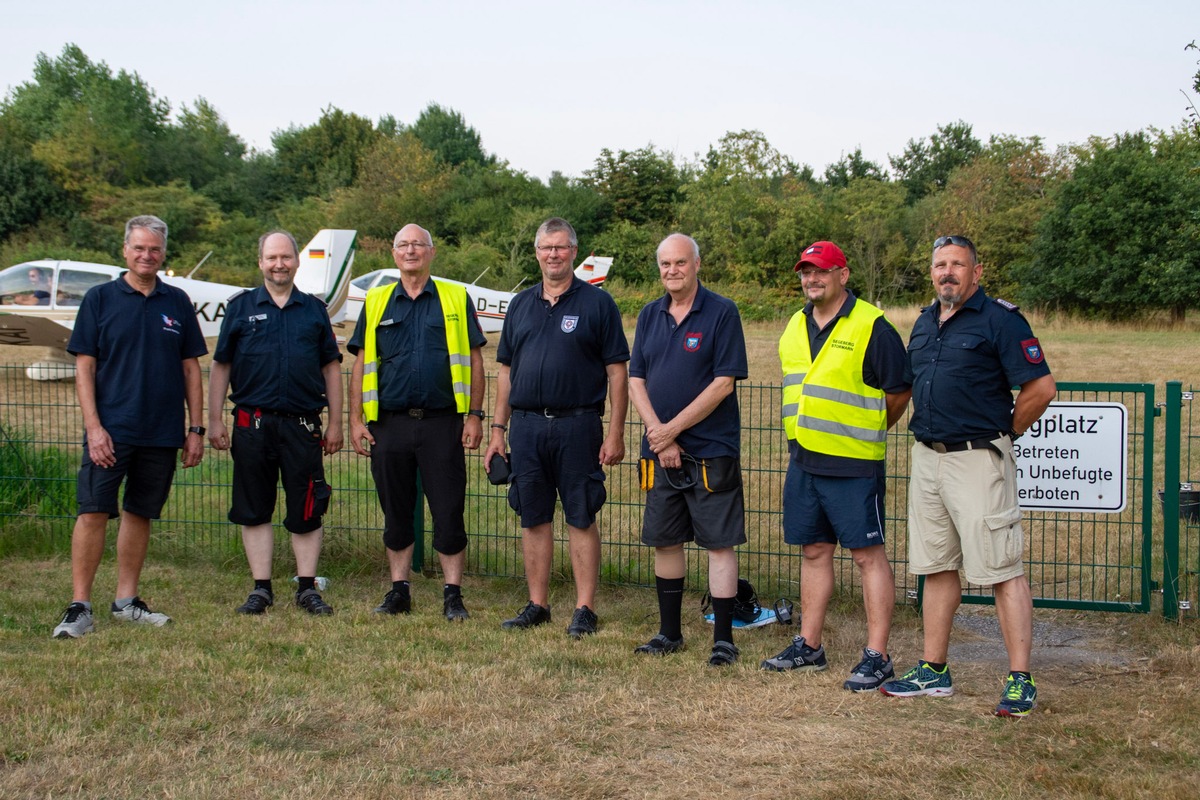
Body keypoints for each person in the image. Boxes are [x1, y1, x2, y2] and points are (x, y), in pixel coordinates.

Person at [880, 234, 1056, 718]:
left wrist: (1005, 435)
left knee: (1001, 569)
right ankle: (934, 670)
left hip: (979, 458)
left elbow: (1041, 388)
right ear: (931, 272)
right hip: (928, 458)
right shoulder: (922, 322)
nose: (948, 272)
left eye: (958, 264)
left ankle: (1021, 679)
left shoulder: (1000, 320)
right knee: (936, 565)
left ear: (976, 273)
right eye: (940, 264)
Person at [761, 241, 911, 690]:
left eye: (821, 271)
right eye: (806, 272)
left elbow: (898, 391)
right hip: (804, 459)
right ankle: (810, 646)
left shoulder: (872, 326)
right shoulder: (794, 324)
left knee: (867, 556)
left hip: (854, 464)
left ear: (843, 274)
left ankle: (878, 655)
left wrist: (867, 429)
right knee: (813, 551)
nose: (812, 279)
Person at [52, 215, 207, 639]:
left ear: (163, 253)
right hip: (111, 430)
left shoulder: (176, 302)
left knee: (140, 513)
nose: (146, 255)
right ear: (125, 250)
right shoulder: (100, 299)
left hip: (161, 431)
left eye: (154, 249)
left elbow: (191, 369)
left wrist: (196, 429)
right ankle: (79, 606)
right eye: (139, 248)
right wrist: (95, 427)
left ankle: (126, 601)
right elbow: (85, 367)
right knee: (93, 511)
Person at [484, 217, 629, 638]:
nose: (553, 254)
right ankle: (538, 604)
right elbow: (505, 371)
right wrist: (498, 429)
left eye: (561, 247)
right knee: (533, 517)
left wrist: (616, 431)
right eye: (546, 248)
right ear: (537, 253)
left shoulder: (598, 304)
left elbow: (617, 372)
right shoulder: (521, 305)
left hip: (578, 425)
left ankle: (585, 608)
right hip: (526, 427)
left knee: (581, 515)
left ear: (573, 252)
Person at [348, 224, 486, 621]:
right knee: (396, 510)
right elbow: (360, 363)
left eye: (418, 245)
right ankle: (399, 591)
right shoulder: (375, 301)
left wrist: (474, 415)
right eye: (403, 245)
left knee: (448, 509)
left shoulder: (455, 297)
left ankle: (453, 595)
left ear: (432, 252)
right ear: (394, 254)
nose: (411, 251)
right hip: (388, 425)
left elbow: (476, 359)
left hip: (443, 423)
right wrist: (355, 419)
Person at [207, 231, 343, 616]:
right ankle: (261, 588)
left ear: (297, 261)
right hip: (252, 425)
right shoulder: (240, 307)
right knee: (254, 507)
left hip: (303, 425)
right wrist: (214, 420)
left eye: (285, 257)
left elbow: (331, 367)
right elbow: (221, 365)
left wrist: (335, 423)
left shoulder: (314, 310)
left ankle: (306, 587)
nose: (279, 264)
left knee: (307, 507)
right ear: (260, 262)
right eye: (271, 258)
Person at [628, 233, 749, 666]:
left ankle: (723, 640)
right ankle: (669, 633)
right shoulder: (648, 314)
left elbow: (724, 382)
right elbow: (635, 379)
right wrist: (659, 436)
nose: (672, 271)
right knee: (666, 541)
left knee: (719, 544)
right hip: (658, 453)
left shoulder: (721, 312)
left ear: (697, 264)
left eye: (680, 262)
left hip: (710, 452)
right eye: (664, 264)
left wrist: (671, 431)